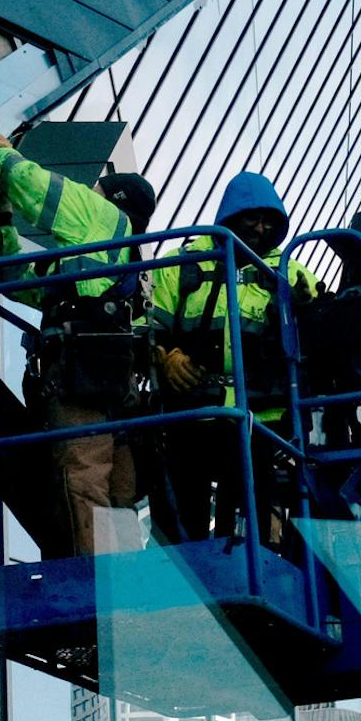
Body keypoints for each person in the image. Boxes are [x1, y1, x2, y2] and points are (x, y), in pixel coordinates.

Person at [0, 128, 159, 558]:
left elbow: (29, 184)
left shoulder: (100, 214)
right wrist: (0, 222)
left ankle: (95, 582)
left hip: (81, 378)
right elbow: (15, 283)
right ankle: (124, 581)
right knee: (120, 490)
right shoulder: (118, 264)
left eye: (97, 189)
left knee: (81, 477)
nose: (88, 191)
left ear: (111, 200)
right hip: (115, 385)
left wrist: (1, 155)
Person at [145, 172, 318, 545]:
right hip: (191, 413)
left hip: (260, 420)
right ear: (230, 216)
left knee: (255, 512)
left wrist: (306, 309)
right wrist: (165, 358)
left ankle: (250, 557)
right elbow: (146, 325)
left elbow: (323, 327)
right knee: (180, 514)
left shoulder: (290, 271)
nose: (261, 227)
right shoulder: (181, 264)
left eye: (269, 221)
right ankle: (181, 566)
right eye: (252, 217)